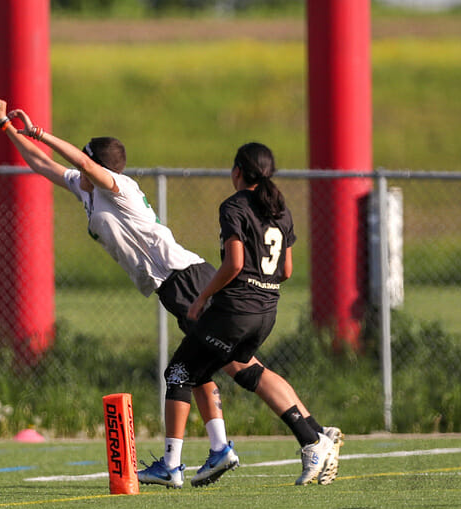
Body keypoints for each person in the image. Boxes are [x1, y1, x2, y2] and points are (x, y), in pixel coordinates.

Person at [0, 97, 237, 489]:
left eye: (86, 162)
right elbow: (40, 164)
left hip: (185, 277)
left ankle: (183, 461)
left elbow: (84, 165)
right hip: (172, 285)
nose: (78, 168)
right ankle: (219, 447)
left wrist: (39, 131)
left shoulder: (120, 187)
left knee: (215, 366)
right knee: (200, 367)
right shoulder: (85, 188)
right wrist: (6, 125)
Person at [140, 142, 342, 488]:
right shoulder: (280, 208)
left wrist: (203, 296)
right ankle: (313, 436)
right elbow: (288, 270)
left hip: (236, 310)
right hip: (267, 310)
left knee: (179, 372)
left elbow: (234, 263)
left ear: (237, 171)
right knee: (242, 373)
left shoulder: (234, 206)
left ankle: (171, 465)